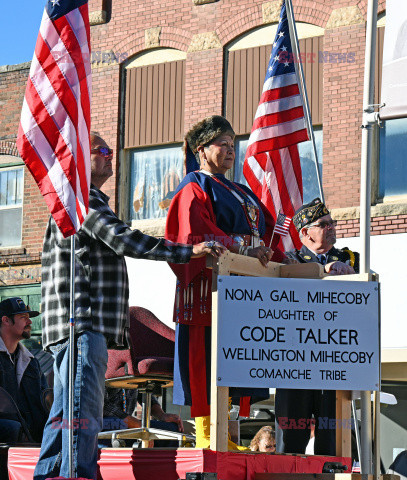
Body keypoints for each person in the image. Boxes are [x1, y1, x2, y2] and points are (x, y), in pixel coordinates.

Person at [33, 133, 224, 480]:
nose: (110, 157)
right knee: (80, 414)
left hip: (77, 327)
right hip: (81, 325)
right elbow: (123, 238)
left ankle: (48, 475)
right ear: (78, 159)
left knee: (65, 413)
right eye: (102, 151)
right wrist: (187, 251)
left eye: (110, 151)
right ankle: (77, 475)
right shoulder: (81, 200)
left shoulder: (78, 201)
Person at [165, 115, 289, 450]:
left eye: (233, 144)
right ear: (202, 149)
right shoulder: (194, 186)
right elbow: (194, 233)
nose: (231, 150)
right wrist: (243, 247)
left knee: (240, 357)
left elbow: (264, 230)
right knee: (208, 362)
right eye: (222, 143)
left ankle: (229, 435)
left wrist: (275, 254)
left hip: (245, 289)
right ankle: (207, 437)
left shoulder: (240, 190)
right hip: (210, 289)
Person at [275, 197, 359, 456]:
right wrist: (322, 270)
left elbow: (364, 294)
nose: (332, 227)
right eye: (324, 224)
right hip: (293, 362)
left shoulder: (349, 258)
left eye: (332, 222)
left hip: (333, 361)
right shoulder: (288, 261)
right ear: (305, 232)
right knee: (291, 438)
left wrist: (343, 270)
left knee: (333, 440)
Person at [0, 297, 48, 443]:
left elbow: (44, 402)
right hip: (10, 434)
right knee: (13, 428)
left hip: (31, 435)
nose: (30, 322)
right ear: (6, 320)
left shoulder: (32, 362)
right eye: (23, 317)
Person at [102, 387, 183, 447]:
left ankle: (162, 467)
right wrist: (139, 426)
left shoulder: (133, 368)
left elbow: (144, 392)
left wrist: (162, 415)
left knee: (171, 430)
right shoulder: (102, 367)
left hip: (129, 425)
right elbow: (102, 406)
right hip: (103, 425)